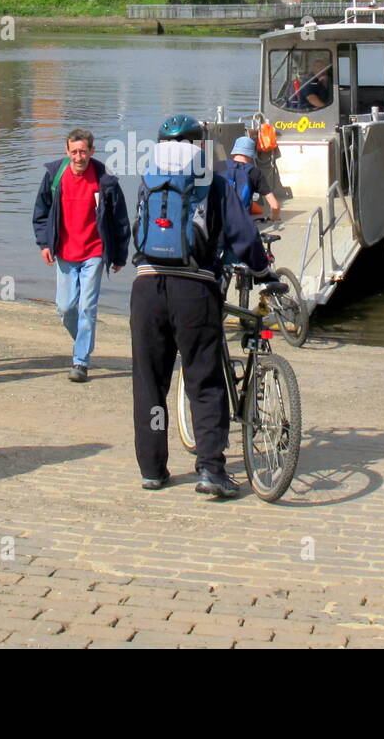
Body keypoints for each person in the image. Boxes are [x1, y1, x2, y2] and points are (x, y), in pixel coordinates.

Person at [130, 115, 272, 499]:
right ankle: (210, 470)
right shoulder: (213, 182)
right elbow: (243, 236)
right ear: (199, 144)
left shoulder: (149, 178)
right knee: (204, 381)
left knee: (149, 382)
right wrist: (263, 271)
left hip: (146, 287)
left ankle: (153, 470)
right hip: (194, 290)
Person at [32, 129, 131, 381]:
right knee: (65, 308)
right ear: (67, 152)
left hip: (94, 252)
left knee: (88, 307)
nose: (79, 157)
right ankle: (83, 343)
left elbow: (120, 219)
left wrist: (119, 255)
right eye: (74, 152)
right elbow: (41, 211)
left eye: (83, 151)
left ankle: (80, 362)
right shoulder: (55, 177)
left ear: (92, 151)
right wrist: (44, 243)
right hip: (65, 252)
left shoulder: (104, 179)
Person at [215, 135, 280, 221]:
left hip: (217, 222)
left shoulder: (218, 166)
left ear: (234, 151)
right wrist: (274, 216)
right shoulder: (254, 172)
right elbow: (274, 206)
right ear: (251, 154)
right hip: (241, 223)